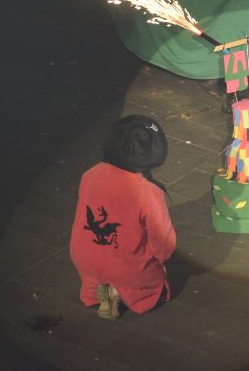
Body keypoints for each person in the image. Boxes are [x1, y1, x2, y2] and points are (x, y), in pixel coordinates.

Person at [69, 115, 176, 320]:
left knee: (97, 272)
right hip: (126, 270)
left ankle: (98, 291)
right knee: (157, 288)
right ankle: (120, 292)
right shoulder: (148, 192)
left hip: (84, 260)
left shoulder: (90, 174)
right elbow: (164, 246)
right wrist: (162, 262)